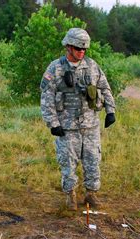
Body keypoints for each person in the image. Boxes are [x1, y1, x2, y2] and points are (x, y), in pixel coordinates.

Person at [40, 28, 116, 211]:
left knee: (92, 161)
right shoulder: (55, 68)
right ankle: (70, 196)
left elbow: (105, 88)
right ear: (68, 46)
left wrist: (110, 110)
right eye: (77, 48)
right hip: (66, 127)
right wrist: (53, 123)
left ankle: (91, 194)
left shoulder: (92, 66)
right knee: (68, 162)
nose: (81, 52)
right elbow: (46, 96)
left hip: (90, 125)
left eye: (84, 49)